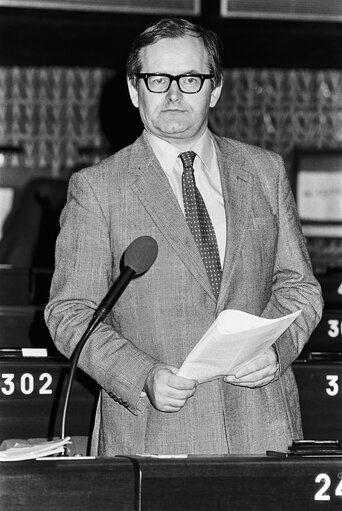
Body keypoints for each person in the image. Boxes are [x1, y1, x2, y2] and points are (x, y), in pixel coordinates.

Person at [45, 17, 323, 456]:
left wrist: (278, 350)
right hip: (153, 436)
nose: (173, 94)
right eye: (158, 79)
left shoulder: (263, 171)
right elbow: (70, 313)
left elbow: (299, 288)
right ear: (135, 90)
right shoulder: (97, 188)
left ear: (215, 88)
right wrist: (141, 375)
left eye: (191, 79)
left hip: (263, 430)